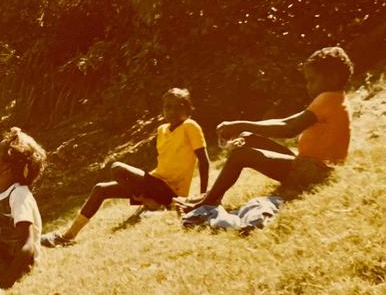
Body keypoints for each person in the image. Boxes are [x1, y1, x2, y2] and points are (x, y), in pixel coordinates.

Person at [174, 46, 353, 212]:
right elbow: (286, 121)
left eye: (312, 80)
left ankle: (209, 201)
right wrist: (242, 126)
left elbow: (288, 129)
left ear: (333, 78)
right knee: (248, 137)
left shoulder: (328, 99)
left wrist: (240, 124)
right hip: (308, 165)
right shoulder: (334, 99)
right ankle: (211, 195)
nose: (308, 86)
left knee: (241, 155)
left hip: (313, 172)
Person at [41, 88, 210, 247]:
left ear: (186, 108)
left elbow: (204, 160)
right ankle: (68, 236)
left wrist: (203, 196)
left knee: (117, 168)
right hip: (156, 183)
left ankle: (156, 203)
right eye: (167, 107)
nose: (171, 111)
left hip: (173, 192)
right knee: (100, 189)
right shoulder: (162, 129)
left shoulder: (190, 126)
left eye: (176, 107)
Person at [0, 127, 46, 288]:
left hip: (16, 263)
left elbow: (27, 245)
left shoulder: (19, 195)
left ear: (7, 168)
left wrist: (7, 281)